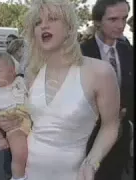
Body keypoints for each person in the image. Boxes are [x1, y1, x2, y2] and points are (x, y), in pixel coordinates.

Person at [0, 0, 122, 179]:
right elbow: (36, 124)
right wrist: (15, 123)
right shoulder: (33, 73)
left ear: (70, 28)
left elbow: (111, 125)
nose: (43, 25)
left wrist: (92, 163)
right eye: (37, 22)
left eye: (52, 18)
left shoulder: (99, 72)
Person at [81, 0, 134, 179]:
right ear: (97, 21)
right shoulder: (81, 53)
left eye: (124, 19)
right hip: (88, 137)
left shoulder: (128, 51)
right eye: (113, 19)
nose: (121, 25)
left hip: (121, 136)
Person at [0, 52, 30, 180]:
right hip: (15, 128)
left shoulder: (22, 82)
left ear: (13, 70)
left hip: (30, 121)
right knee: (19, 152)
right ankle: (18, 176)